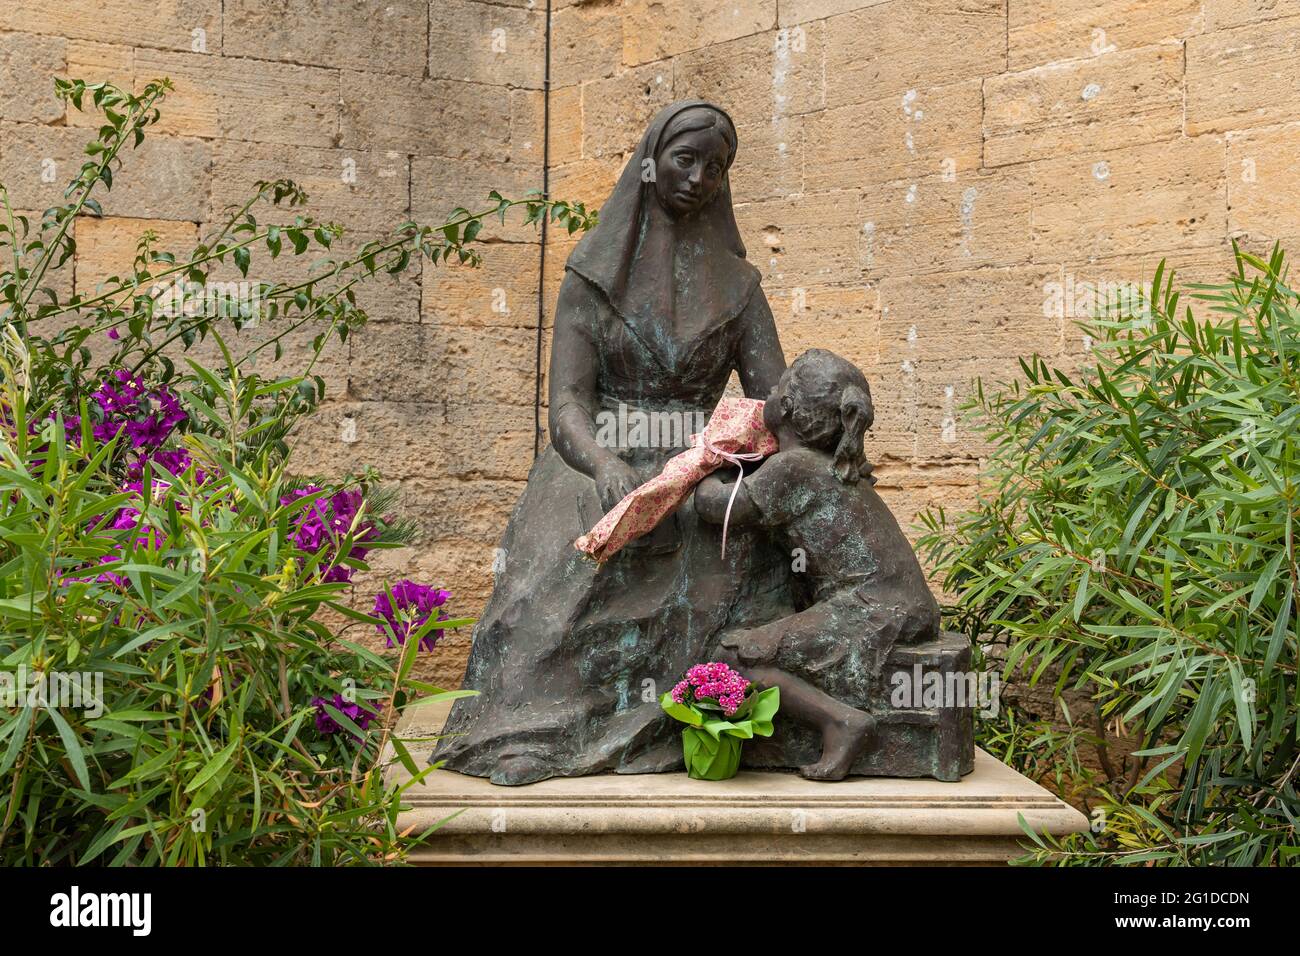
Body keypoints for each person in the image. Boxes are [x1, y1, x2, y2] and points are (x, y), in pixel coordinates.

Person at [433, 100, 789, 785]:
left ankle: (714, 719)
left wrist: (755, 450)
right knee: (546, 587)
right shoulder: (592, 277)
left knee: (755, 556)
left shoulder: (740, 286)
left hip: (698, 463)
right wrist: (601, 462)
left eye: (715, 168)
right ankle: (529, 729)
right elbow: (566, 402)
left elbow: (772, 399)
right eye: (687, 160)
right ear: (652, 165)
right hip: (597, 454)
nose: (699, 177)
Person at [694, 350, 941, 780]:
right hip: (897, 603)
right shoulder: (834, 468)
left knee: (734, 655)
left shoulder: (794, 468)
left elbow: (718, 507)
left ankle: (841, 722)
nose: (766, 393)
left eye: (774, 388)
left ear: (786, 407)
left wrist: (706, 460)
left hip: (873, 608)